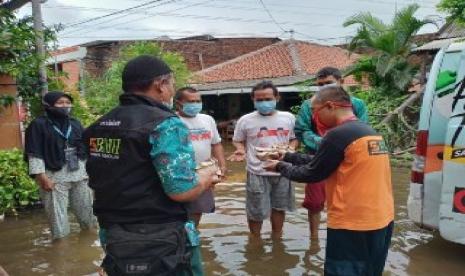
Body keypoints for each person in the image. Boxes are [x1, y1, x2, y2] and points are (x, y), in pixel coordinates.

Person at [84, 55, 219, 276]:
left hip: (113, 231)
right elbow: (181, 191)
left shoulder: (99, 125)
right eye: (172, 83)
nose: (172, 90)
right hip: (160, 234)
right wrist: (208, 175)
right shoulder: (166, 124)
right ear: (160, 85)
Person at [264, 85, 394, 276]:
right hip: (382, 219)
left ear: (330, 106)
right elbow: (327, 162)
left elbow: (312, 173)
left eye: (315, 111)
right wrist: (287, 156)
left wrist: (278, 167)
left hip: (353, 223)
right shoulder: (367, 130)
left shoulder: (337, 134)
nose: (314, 117)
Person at [294, 66, 368, 240]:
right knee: (314, 203)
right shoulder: (309, 105)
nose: (324, 87)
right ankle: (314, 239)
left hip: (348, 159)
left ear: (341, 82)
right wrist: (323, 143)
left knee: (347, 200)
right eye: (320, 84)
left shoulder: (357, 104)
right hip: (316, 157)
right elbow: (301, 130)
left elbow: (362, 129)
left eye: (328, 83)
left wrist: (337, 143)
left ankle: (344, 236)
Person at [228, 81, 298, 238]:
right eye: (259, 100)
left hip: (283, 169)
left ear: (277, 98)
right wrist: (240, 150)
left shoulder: (289, 118)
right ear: (253, 100)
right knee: (256, 210)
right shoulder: (245, 120)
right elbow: (237, 139)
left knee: (279, 207)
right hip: (257, 171)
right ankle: (255, 240)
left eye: (267, 98)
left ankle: (277, 237)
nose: (264, 103)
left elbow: (294, 138)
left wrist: (291, 149)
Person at [24, 91, 96, 240]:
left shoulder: (75, 123)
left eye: (68, 103)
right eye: (60, 103)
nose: (65, 106)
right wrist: (42, 177)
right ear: (49, 105)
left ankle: (88, 245)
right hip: (54, 177)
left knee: (88, 215)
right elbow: (34, 152)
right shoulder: (38, 125)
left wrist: (91, 172)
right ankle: (61, 251)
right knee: (58, 221)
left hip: (79, 174)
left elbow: (85, 148)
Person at [175, 86, 227, 227]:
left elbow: (216, 144)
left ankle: (192, 235)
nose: (196, 104)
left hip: (204, 172)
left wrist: (222, 166)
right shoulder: (172, 121)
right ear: (178, 103)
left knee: (197, 210)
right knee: (177, 211)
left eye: (198, 101)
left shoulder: (207, 119)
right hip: (180, 174)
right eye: (191, 101)